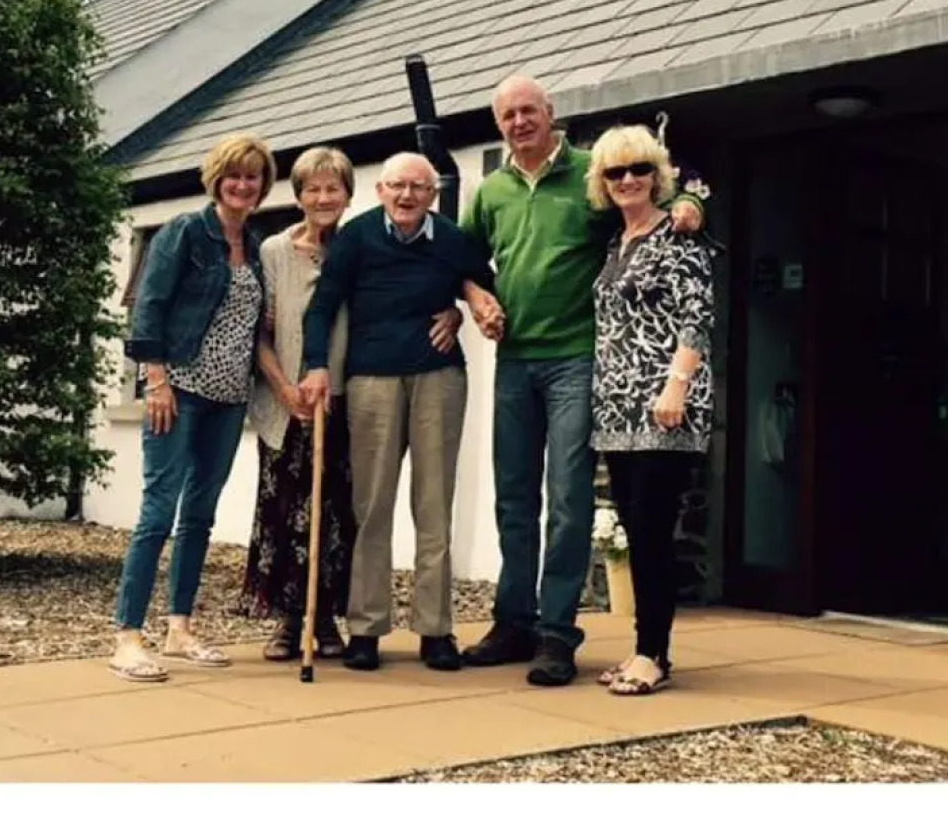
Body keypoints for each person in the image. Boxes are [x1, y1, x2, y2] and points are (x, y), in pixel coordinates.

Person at [459, 74, 708, 687]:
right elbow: (462, 259)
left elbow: (668, 195)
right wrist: (472, 297)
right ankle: (513, 620)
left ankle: (556, 634)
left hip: (578, 360)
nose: (519, 122)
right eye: (508, 115)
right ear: (499, 125)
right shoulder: (490, 191)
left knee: (569, 504)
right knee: (514, 498)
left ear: (551, 114)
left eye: (529, 110)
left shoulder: (591, 174)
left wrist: (693, 205)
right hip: (514, 360)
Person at [243, 146, 464, 661]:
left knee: (354, 512)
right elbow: (287, 322)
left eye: (333, 188)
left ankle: (407, 628)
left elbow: (467, 273)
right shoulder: (280, 249)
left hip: (358, 394)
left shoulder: (363, 237)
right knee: (311, 514)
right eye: (313, 189)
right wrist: (293, 380)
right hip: (309, 395)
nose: (323, 197)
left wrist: (458, 308)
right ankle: (316, 622)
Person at [299, 152, 498, 673]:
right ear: (380, 191)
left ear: (433, 194)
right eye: (396, 187)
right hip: (371, 380)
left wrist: (461, 308)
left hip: (438, 377)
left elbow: (485, 286)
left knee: (434, 504)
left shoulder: (453, 240)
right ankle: (366, 628)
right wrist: (317, 365)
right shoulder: (357, 238)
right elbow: (322, 306)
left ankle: (435, 630)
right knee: (372, 507)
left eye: (417, 187)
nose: (406, 196)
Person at [109, 133, 275, 683]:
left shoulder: (253, 246)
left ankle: (179, 628)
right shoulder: (185, 232)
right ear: (216, 177)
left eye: (254, 176)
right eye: (235, 174)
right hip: (177, 392)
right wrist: (154, 381)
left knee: (200, 516)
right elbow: (149, 308)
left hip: (229, 401)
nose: (244, 184)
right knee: (158, 511)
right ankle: (128, 638)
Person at [586, 124, 715, 696]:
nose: (628, 180)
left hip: (663, 409)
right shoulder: (617, 243)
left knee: (653, 531)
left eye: (639, 169)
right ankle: (645, 647)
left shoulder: (678, 238)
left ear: (658, 176)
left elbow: (697, 317)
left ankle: (652, 654)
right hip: (617, 410)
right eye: (616, 172)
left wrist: (677, 386)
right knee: (638, 532)